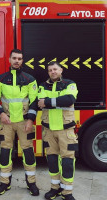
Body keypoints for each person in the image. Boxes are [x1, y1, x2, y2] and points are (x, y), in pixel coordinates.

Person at [0, 49, 39, 196]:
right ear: (9, 60)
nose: (17, 61)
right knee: (4, 152)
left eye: (19, 58)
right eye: (14, 58)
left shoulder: (30, 79)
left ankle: (31, 183)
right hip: (7, 122)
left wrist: (30, 120)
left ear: (22, 61)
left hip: (24, 121)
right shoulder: (0, 79)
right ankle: (5, 183)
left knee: (28, 152)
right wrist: (1, 114)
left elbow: (34, 101)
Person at [38, 61, 78, 200]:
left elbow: (69, 99)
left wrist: (48, 102)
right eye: (50, 70)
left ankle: (67, 192)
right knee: (52, 160)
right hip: (49, 130)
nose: (53, 72)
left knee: (67, 160)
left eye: (55, 69)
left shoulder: (70, 83)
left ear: (61, 70)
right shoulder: (43, 86)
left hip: (65, 130)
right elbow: (39, 101)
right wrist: (55, 100)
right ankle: (55, 188)